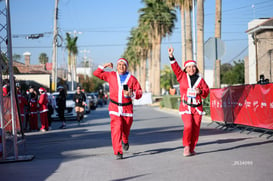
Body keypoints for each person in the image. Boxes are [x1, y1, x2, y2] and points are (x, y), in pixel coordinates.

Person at [93, 58, 142, 160]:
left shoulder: (132, 79)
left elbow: (140, 92)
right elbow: (96, 73)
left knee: (126, 129)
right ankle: (118, 151)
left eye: (123, 65)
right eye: (119, 64)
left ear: (126, 67)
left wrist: (132, 94)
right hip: (114, 107)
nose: (121, 66)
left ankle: (125, 140)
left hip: (127, 108)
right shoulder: (111, 75)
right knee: (117, 127)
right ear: (116, 66)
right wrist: (104, 65)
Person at [168, 47, 209, 157]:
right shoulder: (181, 76)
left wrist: (200, 91)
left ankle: (192, 148)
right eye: (189, 67)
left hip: (197, 108)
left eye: (193, 67)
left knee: (195, 129)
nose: (191, 69)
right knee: (188, 126)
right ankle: (186, 147)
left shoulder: (201, 80)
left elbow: (206, 91)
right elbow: (175, 67)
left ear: (196, 68)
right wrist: (171, 56)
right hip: (186, 107)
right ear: (185, 69)